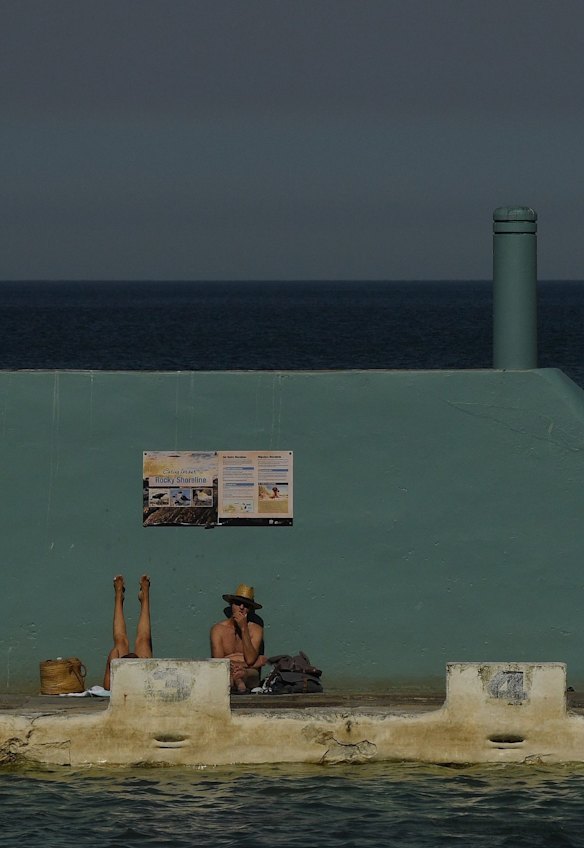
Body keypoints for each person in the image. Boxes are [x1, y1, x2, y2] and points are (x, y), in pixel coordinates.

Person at [210, 583, 266, 693]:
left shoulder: (256, 630)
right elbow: (219, 664)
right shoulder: (218, 629)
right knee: (227, 675)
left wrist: (244, 628)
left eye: (246, 605)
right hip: (227, 672)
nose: (241, 607)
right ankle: (237, 682)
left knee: (248, 673)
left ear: (249, 609)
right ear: (231, 605)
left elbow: (249, 660)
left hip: (248, 674)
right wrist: (256, 662)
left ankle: (239, 679)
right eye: (237, 603)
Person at [103, 574, 153, 690]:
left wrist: (115, 659)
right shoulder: (142, 679)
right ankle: (145, 598)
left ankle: (118, 597)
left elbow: (115, 652)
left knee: (120, 640)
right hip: (134, 669)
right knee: (143, 639)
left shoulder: (113, 684)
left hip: (122, 669)